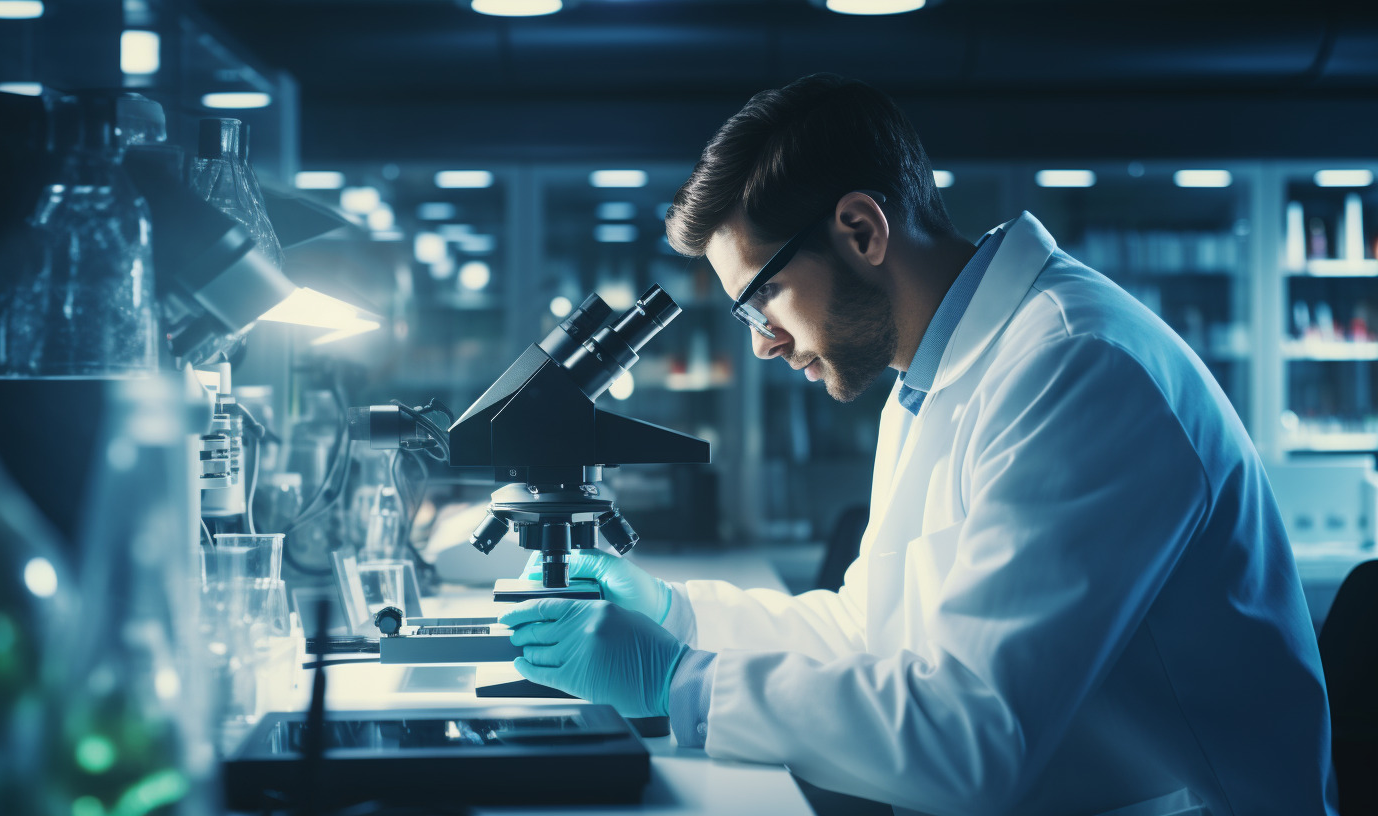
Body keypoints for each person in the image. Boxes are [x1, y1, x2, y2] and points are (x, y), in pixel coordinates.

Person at [498, 74, 1336, 816]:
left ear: (862, 229)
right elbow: (874, 630)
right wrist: (675, 613)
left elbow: (974, 738)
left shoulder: (1078, 367)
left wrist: (680, 680)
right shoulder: (931, 377)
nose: (761, 343)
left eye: (763, 299)